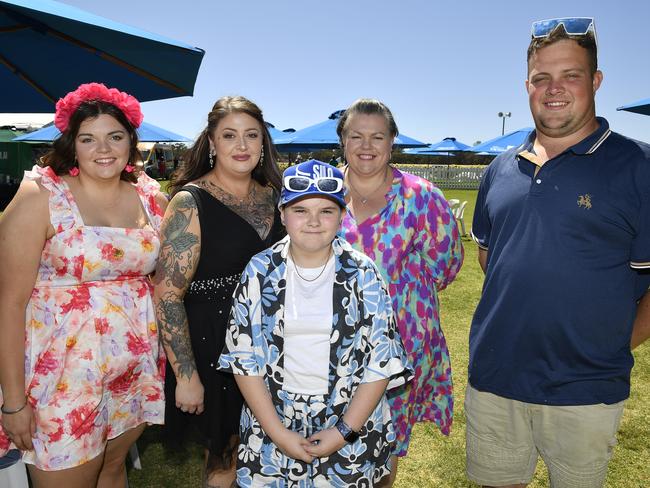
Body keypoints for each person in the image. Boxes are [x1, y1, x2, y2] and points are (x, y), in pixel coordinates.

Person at [467, 18, 650, 488]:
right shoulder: (500, 169)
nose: (554, 89)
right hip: (495, 378)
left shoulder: (638, 168)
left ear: (596, 81)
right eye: (541, 78)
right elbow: (492, 258)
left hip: (585, 390)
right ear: (527, 85)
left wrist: (610, 343)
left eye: (570, 75)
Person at [0, 82, 167, 487]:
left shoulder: (150, 197)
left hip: (134, 369)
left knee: (112, 473)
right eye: (88, 138)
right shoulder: (40, 194)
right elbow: (8, 304)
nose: (103, 149)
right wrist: (14, 402)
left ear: (132, 142)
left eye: (115, 136)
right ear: (71, 144)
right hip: (61, 379)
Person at [218, 159, 412, 486]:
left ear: (342, 213)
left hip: (350, 422)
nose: (313, 221)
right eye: (300, 210)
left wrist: (343, 432)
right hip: (273, 421)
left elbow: (381, 362)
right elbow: (244, 358)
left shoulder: (364, 274)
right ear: (282, 214)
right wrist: (278, 434)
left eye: (326, 211)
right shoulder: (259, 271)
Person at [153, 95, 285, 487]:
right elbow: (168, 295)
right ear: (212, 143)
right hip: (216, 348)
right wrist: (186, 376)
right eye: (230, 136)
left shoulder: (278, 196)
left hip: (273, 343)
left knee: (271, 452)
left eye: (251, 135)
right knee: (225, 458)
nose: (242, 146)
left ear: (263, 143)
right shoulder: (189, 202)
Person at [336, 98, 464, 484]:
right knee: (331, 445)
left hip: (401, 347)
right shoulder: (322, 192)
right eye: (356, 135)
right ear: (342, 140)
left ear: (393, 142)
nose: (366, 146)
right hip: (333, 345)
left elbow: (447, 266)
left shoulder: (422, 197)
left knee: (384, 450)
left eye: (377, 136)